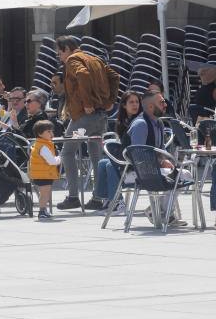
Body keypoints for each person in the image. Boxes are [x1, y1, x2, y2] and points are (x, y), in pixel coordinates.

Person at [54, 36, 119, 211]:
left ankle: (73, 196)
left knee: (67, 152)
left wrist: (87, 102)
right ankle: (98, 198)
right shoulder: (95, 59)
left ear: (67, 48)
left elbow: (82, 74)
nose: (59, 57)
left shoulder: (73, 60)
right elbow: (114, 76)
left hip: (83, 118)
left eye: (60, 52)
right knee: (96, 156)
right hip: (100, 116)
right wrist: (110, 100)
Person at [124, 90, 187, 227]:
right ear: (151, 107)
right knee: (176, 176)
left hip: (149, 168)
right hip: (134, 173)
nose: (165, 104)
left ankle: (158, 211)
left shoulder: (158, 123)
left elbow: (161, 149)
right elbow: (138, 154)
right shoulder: (141, 124)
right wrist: (160, 162)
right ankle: (164, 213)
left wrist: (166, 160)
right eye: (161, 102)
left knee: (184, 174)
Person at [86, 90, 141, 214]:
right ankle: (107, 200)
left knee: (111, 165)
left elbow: (137, 147)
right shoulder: (123, 122)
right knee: (102, 163)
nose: (135, 105)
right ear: (123, 105)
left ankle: (117, 202)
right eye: (131, 102)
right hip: (127, 158)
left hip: (138, 161)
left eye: (137, 102)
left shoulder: (139, 122)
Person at [29, 120, 61, 219]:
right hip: (43, 174)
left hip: (42, 173)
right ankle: (42, 211)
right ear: (40, 133)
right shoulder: (43, 146)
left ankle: (44, 210)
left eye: (52, 131)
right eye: (48, 132)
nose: (52, 134)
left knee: (45, 194)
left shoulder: (41, 144)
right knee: (44, 194)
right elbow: (51, 161)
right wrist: (59, 159)